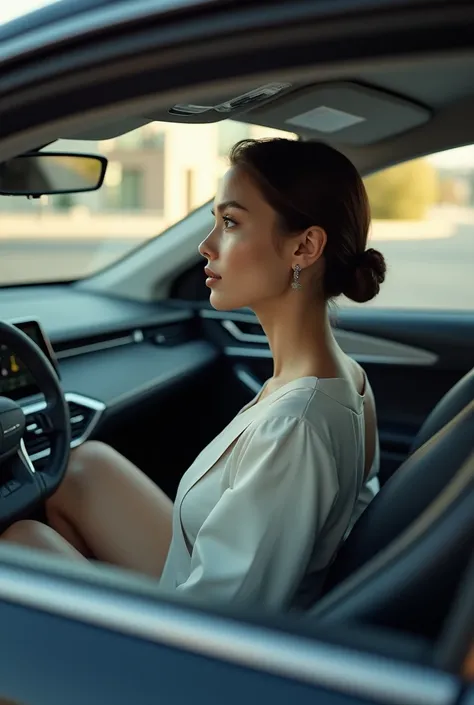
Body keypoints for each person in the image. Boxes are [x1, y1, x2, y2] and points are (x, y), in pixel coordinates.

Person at [1, 138, 386, 610]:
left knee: (19, 543)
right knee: (81, 467)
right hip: (207, 577)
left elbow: (223, 626)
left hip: (192, 636)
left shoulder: (295, 427)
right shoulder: (346, 376)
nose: (206, 247)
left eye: (230, 223)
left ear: (304, 246)